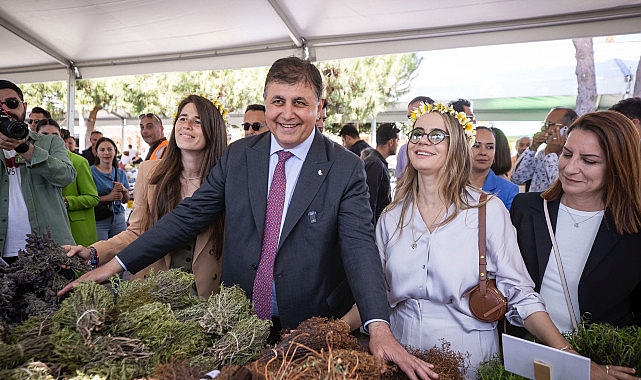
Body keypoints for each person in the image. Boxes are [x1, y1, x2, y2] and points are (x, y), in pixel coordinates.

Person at [59, 56, 438, 380]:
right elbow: (188, 216)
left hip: (308, 331)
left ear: (319, 107)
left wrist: (379, 327)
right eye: (278, 101)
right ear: (265, 102)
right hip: (237, 322)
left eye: (300, 102)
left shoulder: (345, 168)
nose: (287, 114)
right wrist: (115, 263)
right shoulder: (240, 156)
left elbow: (359, 248)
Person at [376, 101, 595, 379]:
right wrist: (325, 333)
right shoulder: (391, 217)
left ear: (455, 146)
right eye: (417, 133)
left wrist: (571, 358)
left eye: (436, 135)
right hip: (402, 358)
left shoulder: (487, 210)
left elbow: (520, 295)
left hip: (468, 361)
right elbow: (374, 292)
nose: (423, 141)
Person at [64, 95, 227, 298]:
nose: (187, 125)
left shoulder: (224, 179)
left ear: (214, 130)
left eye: (198, 121)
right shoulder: (150, 172)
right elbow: (137, 231)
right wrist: (93, 252)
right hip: (153, 287)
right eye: (183, 118)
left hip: (204, 292)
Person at [511, 111, 641, 331]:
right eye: (567, 154)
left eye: (589, 161)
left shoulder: (633, 228)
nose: (570, 168)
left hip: (603, 358)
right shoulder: (526, 209)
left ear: (619, 166)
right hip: (527, 354)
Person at [0, 80, 75, 264]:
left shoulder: (50, 142)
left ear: (24, 106)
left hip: (51, 250)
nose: (5, 110)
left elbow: (66, 176)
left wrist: (26, 149)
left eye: (11, 103)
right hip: (4, 255)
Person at [36, 119, 99, 246]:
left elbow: (93, 198)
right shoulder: (31, 162)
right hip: (43, 231)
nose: (50, 139)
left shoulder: (78, 162)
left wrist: (66, 201)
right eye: (44, 135)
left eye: (55, 135)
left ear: (61, 138)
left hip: (75, 231)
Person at [511, 107, 578, 192]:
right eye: (545, 124)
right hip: (537, 204)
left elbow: (562, 188)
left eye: (550, 124)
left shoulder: (574, 155)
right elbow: (517, 178)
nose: (545, 129)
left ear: (566, 128)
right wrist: (533, 148)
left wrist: (551, 154)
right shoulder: (543, 153)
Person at [470, 126, 519, 210]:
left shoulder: (508, 190)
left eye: (489, 147)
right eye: (476, 146)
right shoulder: (449, 184)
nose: (483, 152)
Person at [91, 137, 130, 240]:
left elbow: (125, 200)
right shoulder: (90, 172)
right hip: (99, 219)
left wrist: (124, 190)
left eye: (109, 149)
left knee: (121, 250)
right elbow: (87, 199)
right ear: (97, 153)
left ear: (115, 151)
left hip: (118, 218)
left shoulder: (120, 173)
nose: (106, 153)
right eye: (102, 150)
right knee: (100, 251)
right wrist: (108, 197)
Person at [364, 123, 399, 225]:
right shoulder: (375, 164)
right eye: (397, 141)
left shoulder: (376, 162)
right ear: (391, 142)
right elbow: (370, 201)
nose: (397, 144)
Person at [395, 96, 434, 182]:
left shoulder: (443, 148)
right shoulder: (404, 150)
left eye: (417, 114)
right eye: (410, 117)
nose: (413, 120)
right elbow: (400, 185)